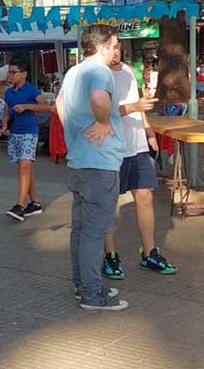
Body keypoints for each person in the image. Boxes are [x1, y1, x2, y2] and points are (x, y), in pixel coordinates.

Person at [55, 24, 128, 311]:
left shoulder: (75, 71)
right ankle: (91, 293)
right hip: (100, 163)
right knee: (94, 232)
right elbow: (100, 100)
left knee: (81, 229)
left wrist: (73, 132)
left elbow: (60, 102)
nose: (116, 50)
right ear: (102, 46)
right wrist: (102, 121)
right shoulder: (100, 72)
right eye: (114, 44)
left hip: (81, 161)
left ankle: (82, 284)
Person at [101, 43, 175, 280]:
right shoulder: (96, 75)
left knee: (145, 196)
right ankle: (110, 256)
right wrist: (135, 106)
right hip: (111, 147)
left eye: (118, 48)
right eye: (111, 48)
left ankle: (150, 252)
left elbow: (138, 106)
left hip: (137, 145)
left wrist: (149, 130)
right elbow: (102, 112)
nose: (116, 53)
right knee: (109, 203)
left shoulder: (128, 70)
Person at [2, 59, 52, 222]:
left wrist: (27, 106)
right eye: (9, 72)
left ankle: (20, 206)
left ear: (23, 74)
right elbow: (6, 112)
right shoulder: (9, 92)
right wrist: (4, 126)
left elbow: (47, 107)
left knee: (24, 167)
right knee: (25, 170)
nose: (10, 75)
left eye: (13, 72)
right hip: (14, 133)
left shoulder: (31, 90)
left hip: (29, 133)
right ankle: (35, 202)